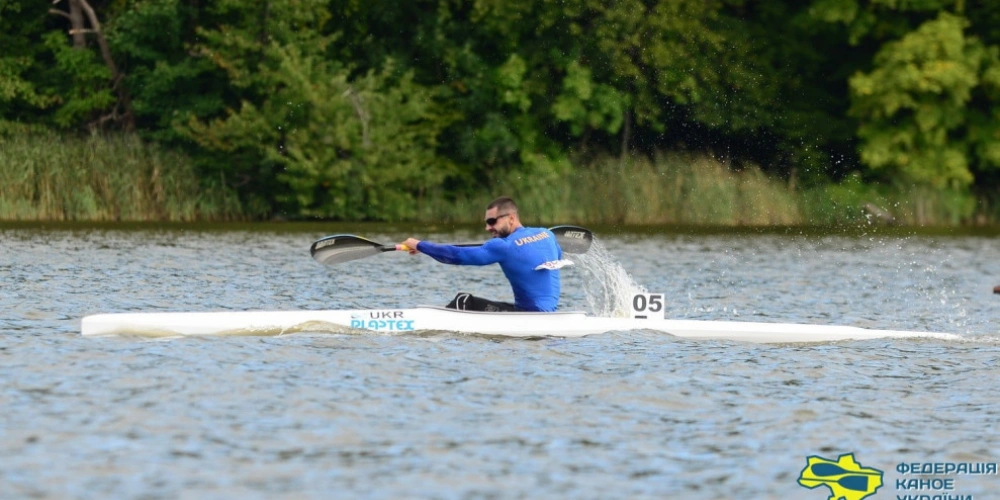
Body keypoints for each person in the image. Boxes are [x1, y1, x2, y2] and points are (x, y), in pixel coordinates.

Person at [400, 196, 563, 312]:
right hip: (546, 315)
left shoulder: (503, 246)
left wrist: (419, 244)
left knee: (463, 301)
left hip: (530, 318)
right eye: (486, 223)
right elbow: (558, 257)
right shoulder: (546, 235)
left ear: (511, 218)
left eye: (492, 222)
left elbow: (455, 256)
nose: (487, 228)